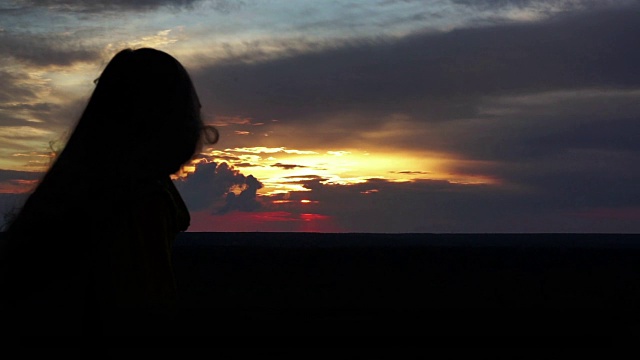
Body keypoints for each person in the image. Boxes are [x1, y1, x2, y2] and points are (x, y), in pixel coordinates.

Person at [0, 48, 218, 336]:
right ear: (165, 122)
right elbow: (144, 319)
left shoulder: (75, 192)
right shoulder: (137, 204)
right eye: (192, 113)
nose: (200, 127)